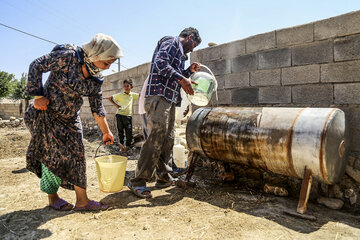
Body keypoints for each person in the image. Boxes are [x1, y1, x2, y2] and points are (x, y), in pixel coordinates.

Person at [24, 33, 123, 211]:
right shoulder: (68, 57)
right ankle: (53, 197)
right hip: (47, 115)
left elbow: (97, 108)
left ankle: (82, 201)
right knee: (51, 157)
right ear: (96, 55)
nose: (108, 68)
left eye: (111, 64)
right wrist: (38, 95)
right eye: (107, 63)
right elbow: (36, 65)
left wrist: (106, 132)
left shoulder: (96, 78)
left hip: (70, 119)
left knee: (78, 155)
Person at [128, 27, 202, 198]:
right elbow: (160, 64)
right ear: (189, 37)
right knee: (155, 137)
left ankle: (163, 177)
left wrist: (188, 71)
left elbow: (174, 75)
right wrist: (182, 78)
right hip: (158, 95)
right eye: (193, 45)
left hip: (168, 98)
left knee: (167, 139)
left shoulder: (180, 55)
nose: (192, 49)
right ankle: (138, 180)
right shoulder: (171, 41)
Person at [107, 78, 139, 152]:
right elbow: (109, 98)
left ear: (131, 87)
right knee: (120, 131)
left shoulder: (133, 95)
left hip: (128, 116)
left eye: (128, 86)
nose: (126, 88)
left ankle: (127, 147)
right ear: (123, 87)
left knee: (129, 132)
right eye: (124, 86)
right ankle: (121, 146)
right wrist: (116, 105)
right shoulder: (120, 95)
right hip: (119, 115)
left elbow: (141, 96)